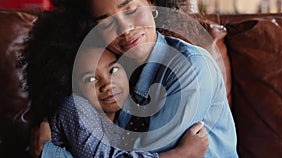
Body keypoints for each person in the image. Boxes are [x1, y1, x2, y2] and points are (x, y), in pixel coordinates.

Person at [28, 0, 238, 157]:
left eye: (131, 10)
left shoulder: (190, 67)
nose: (125, 29)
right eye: (106, 23)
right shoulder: (109, 71)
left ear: (153, 5)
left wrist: (49, 153)